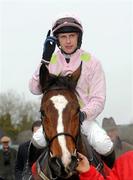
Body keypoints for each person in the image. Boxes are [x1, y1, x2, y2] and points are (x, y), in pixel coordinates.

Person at [29, 13, 115, 167]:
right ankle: (27, 172)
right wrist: (45, 59)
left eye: (72, 35)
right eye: (63, 37)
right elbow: (34, 89)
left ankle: (114, 175)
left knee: (103, 144)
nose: (68, 41)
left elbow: (99, 99)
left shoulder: (93, 62)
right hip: (56, 120)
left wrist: (83, 114)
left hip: (83, 118)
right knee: (37, 139)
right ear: (57, 40)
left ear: (78, 38)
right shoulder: (51, 60)